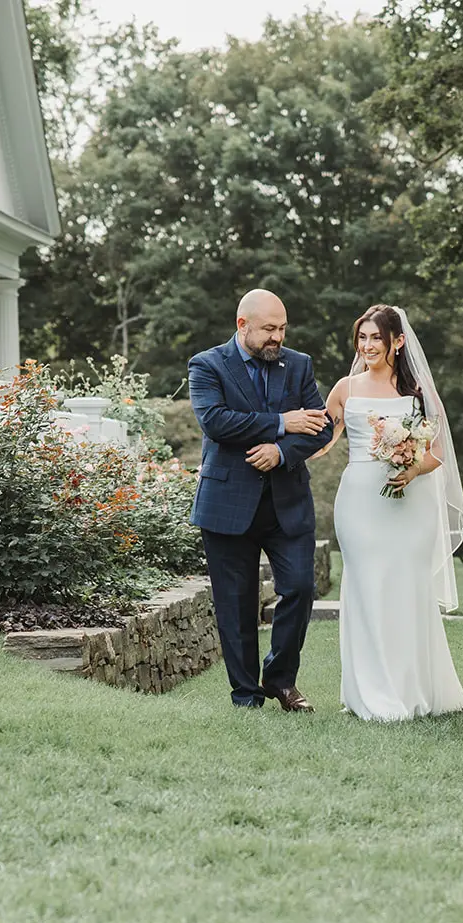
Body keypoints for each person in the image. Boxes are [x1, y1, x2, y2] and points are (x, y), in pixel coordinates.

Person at [313, 304, 463, 721]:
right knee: (367, 588)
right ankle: (371, 694)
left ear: (397, 342)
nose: (367, 346)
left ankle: (414, 689)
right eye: (362, 337)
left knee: (407, 591)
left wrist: (411, 469)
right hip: (358, 504)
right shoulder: (345, 389)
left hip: (410, 505)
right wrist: (282, 451)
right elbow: (321, 441)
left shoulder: (418, 394)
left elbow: (437, 453)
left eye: (375, 338)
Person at [188, 289, 334, 711]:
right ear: (242, 325)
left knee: (301, 589)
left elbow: (321, 429)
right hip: (227, 503)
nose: (277, 338)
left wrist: (282, 451)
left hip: (287, 503)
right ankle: (246, 695)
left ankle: (280, 679)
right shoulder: (207, 365)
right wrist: (281, 423)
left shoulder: (299, 365)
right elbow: (216, 422)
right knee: (235, 605)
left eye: (282, 328)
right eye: (269, 329)